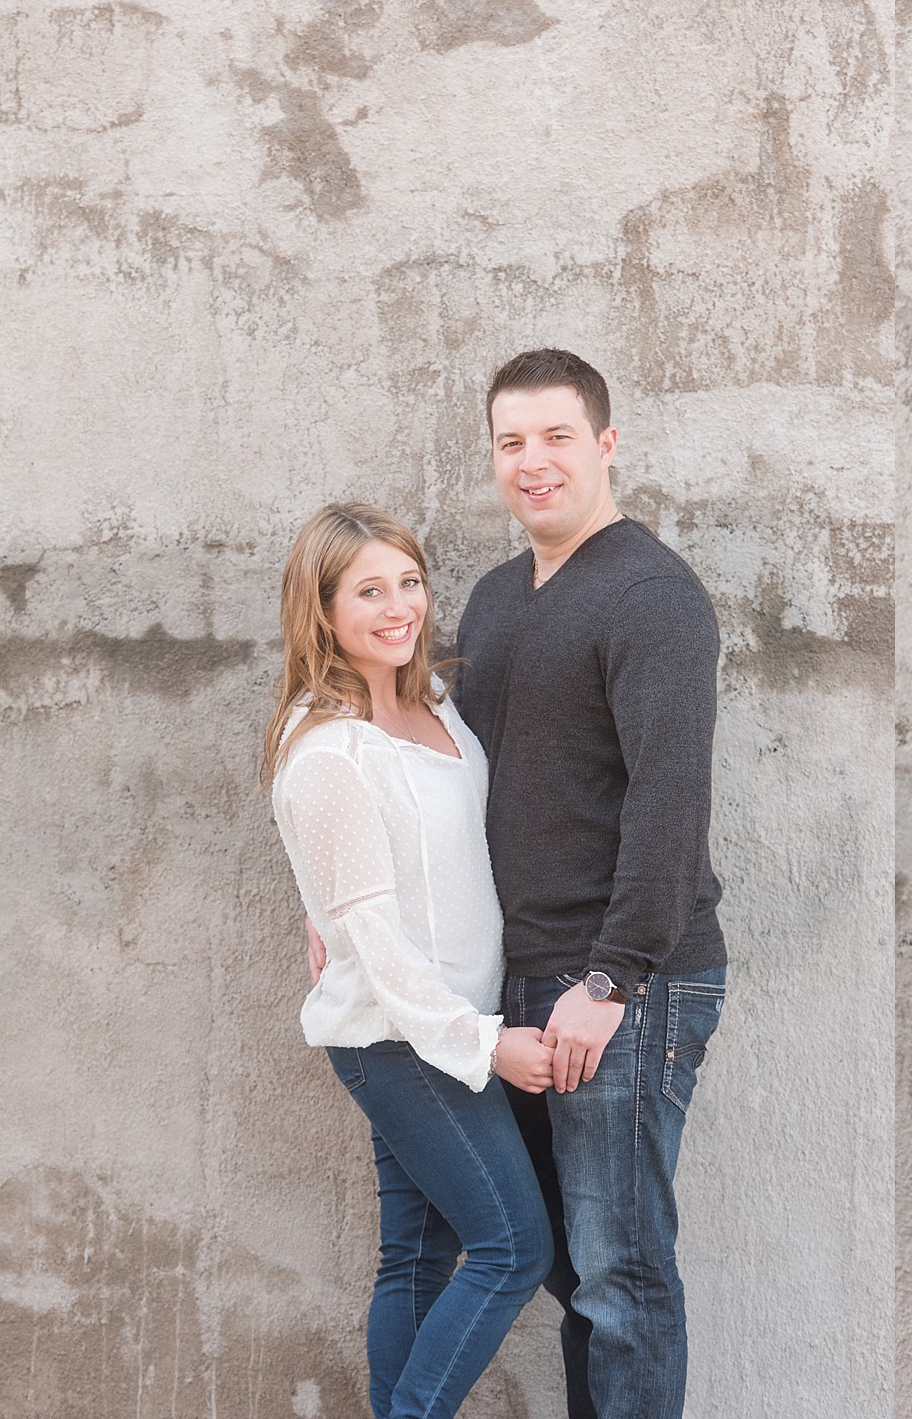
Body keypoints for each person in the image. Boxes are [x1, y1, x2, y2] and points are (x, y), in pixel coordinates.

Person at [453, 349, 727, 1419]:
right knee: (570, 1270)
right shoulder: (491, 598)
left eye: (557, 436)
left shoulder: (650, 595)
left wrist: (608, 980)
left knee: (620, 1274)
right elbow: (449, 781)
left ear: (605, 444)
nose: (533, 462)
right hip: (523, 980)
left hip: (622, 980)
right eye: (511, 442)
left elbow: (670, 801)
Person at [262, 503, 558, 1419]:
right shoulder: (331, 750)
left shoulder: (431, 707)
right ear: (322, 610)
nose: (400, 608)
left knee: (419, 1258)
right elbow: (374, 939)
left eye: (410, 582)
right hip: (404, 1036)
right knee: (513, 1247)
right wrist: (484, 1042)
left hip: (440, 1024)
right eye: (368, 591)